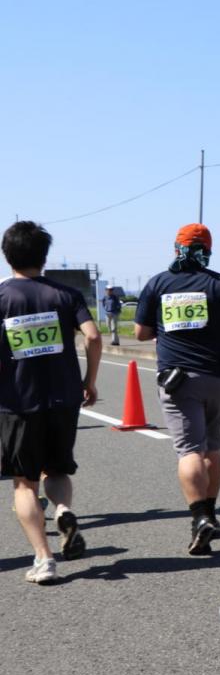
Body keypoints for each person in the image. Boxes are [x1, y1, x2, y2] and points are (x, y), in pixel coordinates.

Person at [134, 224, 220, 555]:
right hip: (219, 375)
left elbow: (141, 332)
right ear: (208, 250)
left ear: (176, 249)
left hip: (179, 377)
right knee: (212, 448)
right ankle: (211, 513)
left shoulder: (159, 283)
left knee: (189, 451)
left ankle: (199, 519)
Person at [0, 221, 100, 583]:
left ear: (6, 254)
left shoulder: (3, 297)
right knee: (56, 470)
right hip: (64, 398)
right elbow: (92, 335)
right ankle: (62, 509)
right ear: (44, 256)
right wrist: (88, 381)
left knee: (25, 482)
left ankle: (44, 559)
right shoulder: (64, 295)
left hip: (18, 402)